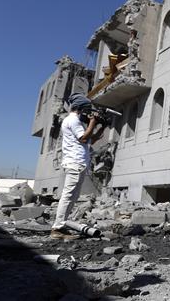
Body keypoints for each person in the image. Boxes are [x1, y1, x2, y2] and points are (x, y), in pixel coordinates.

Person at [50, 93, 105, 239]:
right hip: (75, 162)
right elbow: (84, 137)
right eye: (87, 110)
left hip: (78, 163)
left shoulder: (75, 122)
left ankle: (61, 226)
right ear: (81, 108)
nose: (88, 113)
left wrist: (101, 127)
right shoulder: (73, 120)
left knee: (73, 196)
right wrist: (93, 122)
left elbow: (89, 141)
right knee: (68, 196)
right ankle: (57, 228)